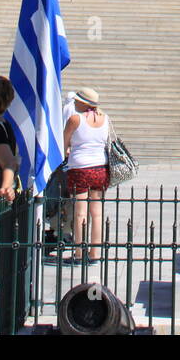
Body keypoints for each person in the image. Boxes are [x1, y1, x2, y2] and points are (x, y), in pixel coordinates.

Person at [63, 87, 109, 263]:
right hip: (100, 168)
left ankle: (79, 252)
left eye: (77, 101)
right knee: (96, 212)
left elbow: (64, 142)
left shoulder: (75, 119)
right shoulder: (105, 119)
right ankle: (95, 252)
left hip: (80, 168)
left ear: (84, 103)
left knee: (80, 212)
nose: (74, 103)